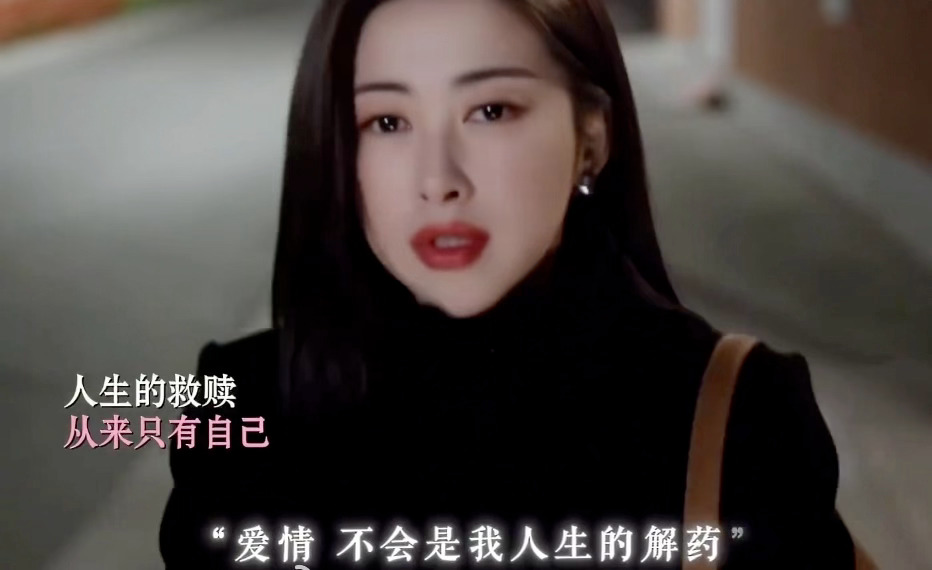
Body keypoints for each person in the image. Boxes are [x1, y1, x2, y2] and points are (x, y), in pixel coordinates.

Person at [159, 0, 857, 568]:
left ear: (591, 138)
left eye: (490, 110)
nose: (438, 180)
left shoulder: (739, 414)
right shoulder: (244, 404)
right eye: (387, 122)